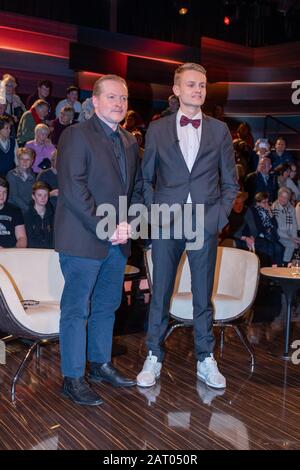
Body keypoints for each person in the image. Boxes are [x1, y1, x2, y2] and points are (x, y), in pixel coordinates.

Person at [137, 62, 238, 389]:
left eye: (203, 86)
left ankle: (205, 358)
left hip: (204, 224)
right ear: (177, 89)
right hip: (167, 223)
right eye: (192, 85)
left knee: (201, 296)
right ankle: (153, 354)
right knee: (160, 292)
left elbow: (231, 184)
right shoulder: (157, 129)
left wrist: (217, 219)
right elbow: (145, 180)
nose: (198, 90)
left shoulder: (220, 131)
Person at [55, 74, 143, 406]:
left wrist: (131, 223)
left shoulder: (130, 141)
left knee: (107, 306)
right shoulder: (76, 135)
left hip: (117, 241)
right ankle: (73, 378)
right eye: (112, 97)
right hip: (82, 238)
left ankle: (99, 365)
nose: (119, 103)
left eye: (123, 98)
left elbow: (135, 191)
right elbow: (75, 191)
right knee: (77, 310)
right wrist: (107, 226)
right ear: (95, 101)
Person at [24, 181, 54, 249]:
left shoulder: (54, 215)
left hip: (50, 252)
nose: (43, 198)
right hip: (33, 253)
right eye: (39, 195)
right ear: (33, 196)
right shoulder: (26, 216)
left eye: (45, 195)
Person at [0, 177, 27, 248]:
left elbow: (22, 238)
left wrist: (15, 252)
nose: (2, 196)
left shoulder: (15, 210)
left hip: (12, 253)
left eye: (4, 192)